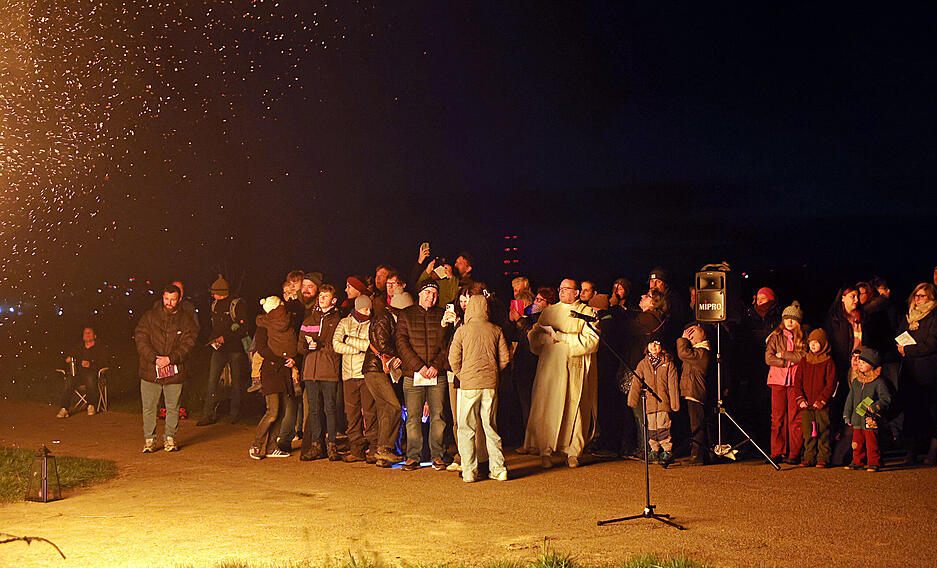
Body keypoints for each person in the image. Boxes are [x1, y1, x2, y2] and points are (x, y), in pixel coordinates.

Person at [523, 278, 599, 468]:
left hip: (574, 367)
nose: (562, 291)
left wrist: (563, 338)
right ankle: (545, 451)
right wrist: (546, 339)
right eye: (561, 288)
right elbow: (534, 336)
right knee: (548, 408)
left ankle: (573, 452)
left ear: (576, 293)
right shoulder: (549, 311)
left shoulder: (585, 312)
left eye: (567, 289)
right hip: (550, 369)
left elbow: (592, 341)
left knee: (576, 408)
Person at [448, 294, 511, 482]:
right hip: (490, 384)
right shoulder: (496, 330)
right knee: (490, 427)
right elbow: (505, 358)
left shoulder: (462, 331)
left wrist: (463, 375)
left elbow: (453, 359)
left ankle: (469, 471)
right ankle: (499, 469)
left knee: (466, 428)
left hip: (468, 385)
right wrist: (492, 372)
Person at [134, 284, 198, 453]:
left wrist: (171, 359)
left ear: (179, 300)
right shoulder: (149, 316)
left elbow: (188, 344)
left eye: (173, 300)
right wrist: (154, 358)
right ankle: (149, 440)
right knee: (149, 407)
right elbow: (141, 337)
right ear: (162, 297)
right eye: (166, 299)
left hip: (174, 370)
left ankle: (170, 438)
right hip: (150, 369)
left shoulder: (186, 320)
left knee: (173, 406)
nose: (169, 303)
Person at [396, 281, 450, 471]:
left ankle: (438, 455)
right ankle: (412, 456)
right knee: (413, 417)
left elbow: (448, 343)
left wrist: (436, 365)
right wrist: (419, 366)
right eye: (427, 292)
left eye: (434, 293)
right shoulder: (406, 314)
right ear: (419, 294)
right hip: (413, 374)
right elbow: (402, 344)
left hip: (437, 373)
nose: (431, 297)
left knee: (438, 416)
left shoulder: (443, 314)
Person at [297, 284, 343, 461]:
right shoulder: (309, 320)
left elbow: (337, 344)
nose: (322, 298)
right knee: (314, 410)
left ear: (334, 299)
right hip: (310, 371)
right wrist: (308, 347)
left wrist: (321, 346)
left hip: (328, 370)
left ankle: (332, 444)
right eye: (321, 295)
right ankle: (317, 445)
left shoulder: (338, 319)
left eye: (326, 295)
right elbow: (300, 345)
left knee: (330, 408)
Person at [198, 274, 249, 426]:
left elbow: (243, 328)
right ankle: (208, 413)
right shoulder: (214, 304)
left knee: (236, 382)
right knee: (212, 381)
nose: (212, 294)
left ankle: (234, 413)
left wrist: (225, 338)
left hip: (235, 349)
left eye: (214, 291)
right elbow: (214, 326)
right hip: (219, 349)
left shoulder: (236, 304)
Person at [249, 296, 296, 459]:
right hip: (270, 372)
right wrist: (281, 358)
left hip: (283, 371)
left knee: (281, 411)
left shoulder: (287, 325)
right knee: (273, 411)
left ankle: (271, 447)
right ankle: (256, 445)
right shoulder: (263, 327)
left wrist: (290, 358)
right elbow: (262, 349)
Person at [332, 295, 377, 462]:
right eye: (366, 309)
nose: (369, 311)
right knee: (352, 414)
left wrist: (349, 340)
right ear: (358, 308)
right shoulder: (344, 323)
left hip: (365, 374)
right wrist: (356, 350)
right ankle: (356, 448)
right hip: (348, 375)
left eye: (370, 308)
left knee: (370, 412)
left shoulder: (372, 324)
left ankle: (373, 448)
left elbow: (370, 345)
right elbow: (336, 344)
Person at [896, 282, 937, 465]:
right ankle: (911, 451)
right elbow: (899, 334)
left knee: (931, 412)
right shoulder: (909, 317)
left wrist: (909, 350)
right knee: (912, 412)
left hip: (928, 373)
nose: (918, 299)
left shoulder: (934, 316)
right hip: (910, 372)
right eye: (916, 295)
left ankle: (932, 452)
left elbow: (932, 344)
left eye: (923, 296)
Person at [362, 295, 404, 467]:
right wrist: (400, 353)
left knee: (384, 408)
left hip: (373, 369)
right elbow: (382, 344)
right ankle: (385, 448)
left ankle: (381, 455)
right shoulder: (384, 318)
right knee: (393, 407)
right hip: (375, 368)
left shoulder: (384, 318)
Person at [765, 301, 807, 464]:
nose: (790, 322)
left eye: (793, 319)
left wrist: (784, 355)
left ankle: (794, 453)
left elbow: (803, 356)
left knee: (795, 418)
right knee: (777, 418)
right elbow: (769, 357)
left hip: (794, 382)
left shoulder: (802, 336)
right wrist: (786, 362)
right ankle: (777, 451)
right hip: (777, 380)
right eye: (787, 318)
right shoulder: (776, 336)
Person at [628, 340, 680, 467]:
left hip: (663, 401)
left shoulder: (668, 363)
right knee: (652, 426)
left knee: (663, 426)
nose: (653, 346)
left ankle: (667, 450)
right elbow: (636, 382)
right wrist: (632, 399)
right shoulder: (643, 364)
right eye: (651, 344)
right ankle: (654, 450)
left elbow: (673, 385)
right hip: (650, 403)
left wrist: (674, 402)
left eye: (656, 344)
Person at [792, 329, 837, 467]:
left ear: (823, 344)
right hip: (806, 405)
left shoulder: (828, 362)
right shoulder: (805, 360)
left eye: (816, 343)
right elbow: (797, 381)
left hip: (821, 406)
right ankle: (809, 456)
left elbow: (831, 384)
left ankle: (823, 457)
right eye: (811, 342)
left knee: (823, 431)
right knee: (808, 432)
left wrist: (822, 400)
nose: (813, 345)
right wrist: (800, 399)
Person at [844, 347, 892, 472]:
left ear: (872, 365)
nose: (860, 365)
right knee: (856, 442)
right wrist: (847, 415)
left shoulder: (878, 382)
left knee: (872, 441)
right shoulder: (856, 382)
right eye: (859, 362)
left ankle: (874, 462)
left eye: (864, 363)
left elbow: (886, 398)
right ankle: (857, 461)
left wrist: (875, 406)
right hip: (857, 419)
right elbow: (850, 400)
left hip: (870, 418)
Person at [676, 322, 711, 465]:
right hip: (692, 392)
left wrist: (682, 339)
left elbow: (683, 353)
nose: (688, 339)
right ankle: (701, 453)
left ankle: (697, 456)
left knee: (697, 426)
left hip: (696, 393)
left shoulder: (701, 353)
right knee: (696, 424)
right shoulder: (699, 352)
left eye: (691, 336)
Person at [57, 326, 109, 418]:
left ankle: (91, 405)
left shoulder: (100, 348)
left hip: (93, 374)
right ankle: (64, 408)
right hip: (78, 374)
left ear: (95, 336)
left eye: (89, 333)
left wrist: (90, 364)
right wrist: (67, 360)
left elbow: (104, 362)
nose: (87, 335)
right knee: (69, 380)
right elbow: (68, 358)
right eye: (85, 333)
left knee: (89, 378)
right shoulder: (78, 347)